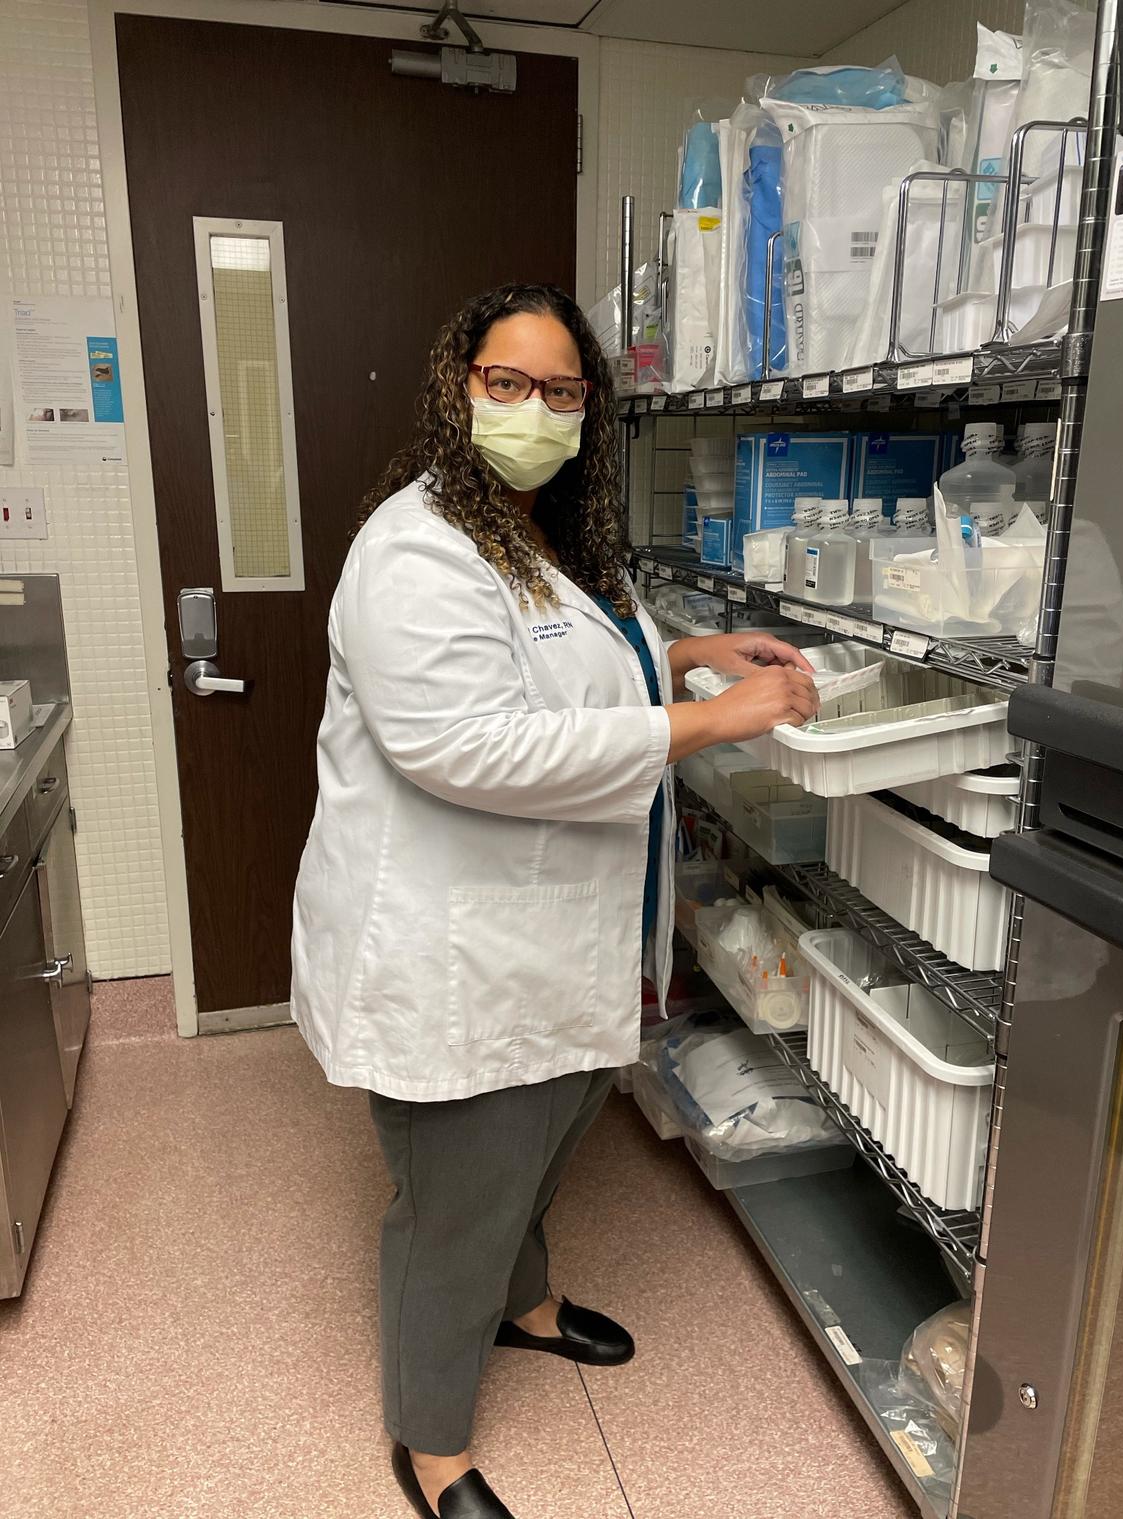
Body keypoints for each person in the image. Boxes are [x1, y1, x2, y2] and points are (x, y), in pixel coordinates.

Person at [290, 283, 818, 1519]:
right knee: (457, 1202)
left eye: (563, 390)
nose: (535, 410)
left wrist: (685, 655)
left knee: (546, 1140)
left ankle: (523, 1305)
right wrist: (705, 722)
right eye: (508, 383)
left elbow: (578, 656)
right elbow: (466, 743)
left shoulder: (549, 532)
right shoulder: (415, 549)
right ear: (459, 388)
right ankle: (431, 1441)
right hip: (454, 949)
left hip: (563, 931)